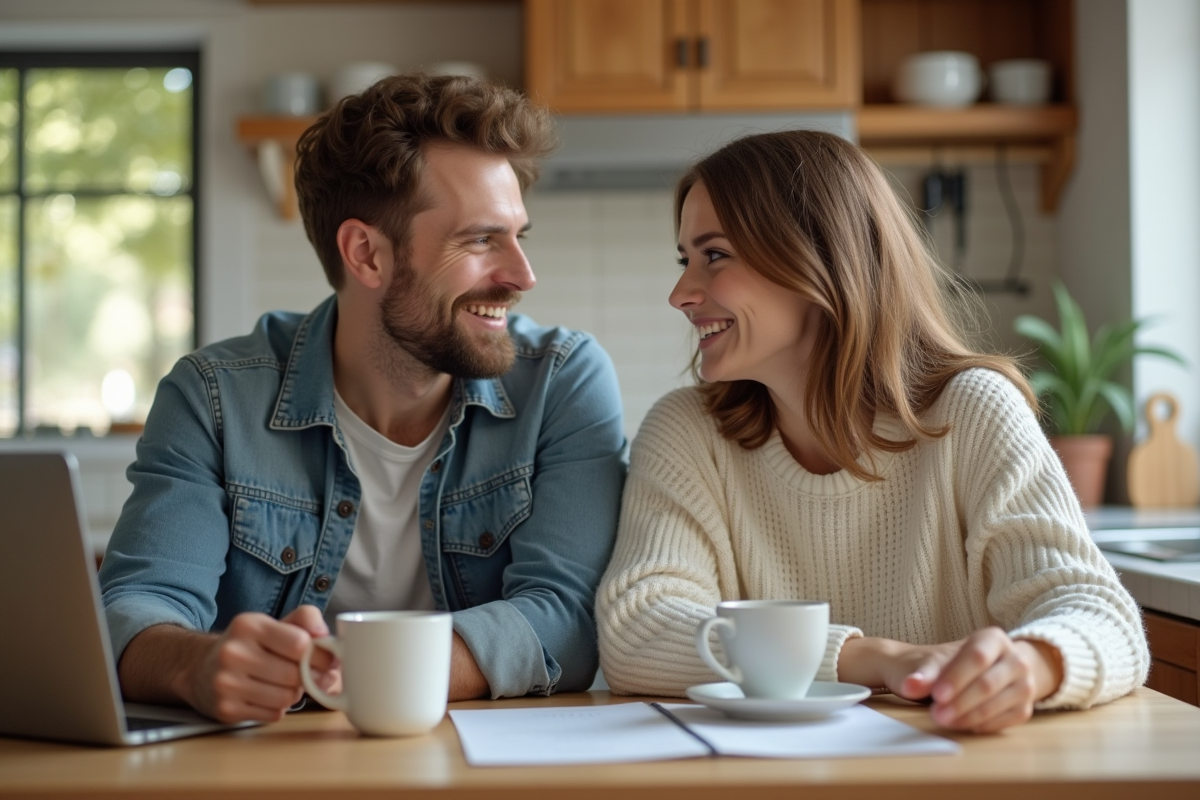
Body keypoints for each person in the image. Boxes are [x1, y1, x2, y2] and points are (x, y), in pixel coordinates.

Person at [99, 74, 626, 724]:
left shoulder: (561, 381)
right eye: (482, 239)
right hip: (269, 768)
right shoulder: (213, 397)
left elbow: (567, 618)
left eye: (519, 235)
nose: (522, 275)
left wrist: (361, 672)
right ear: (366, 254)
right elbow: (135, 606)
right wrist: (196, 664)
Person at [596, 130, 1148, 733]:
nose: (681, 293)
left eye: (715, 255)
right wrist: (876, 659)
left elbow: (1100, 615)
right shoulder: (687, 432)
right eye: (685, 260)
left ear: (816, 258)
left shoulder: (973, 412)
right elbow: (637, 629)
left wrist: (1030, 665)